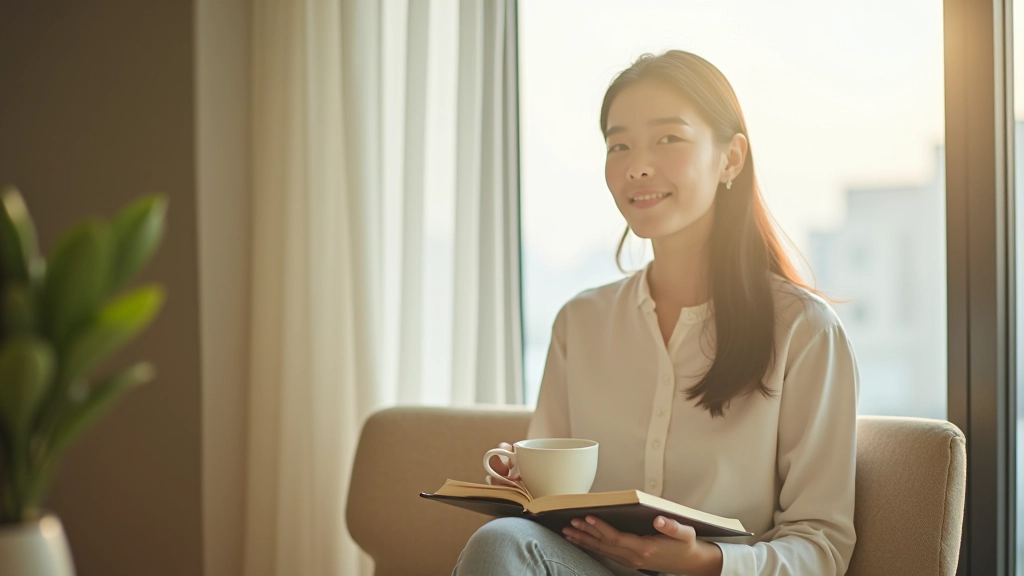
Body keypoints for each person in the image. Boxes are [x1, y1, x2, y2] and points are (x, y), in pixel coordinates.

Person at [452, 50, 859, 576]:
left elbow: (822, 546)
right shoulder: (580, 323)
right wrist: (526, 488)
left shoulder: (805, 330)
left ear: (731, 159)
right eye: (618, 144)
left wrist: (706, 561)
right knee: (501, 541)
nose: (637, 166)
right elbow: (548, 509)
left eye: (668, 138)